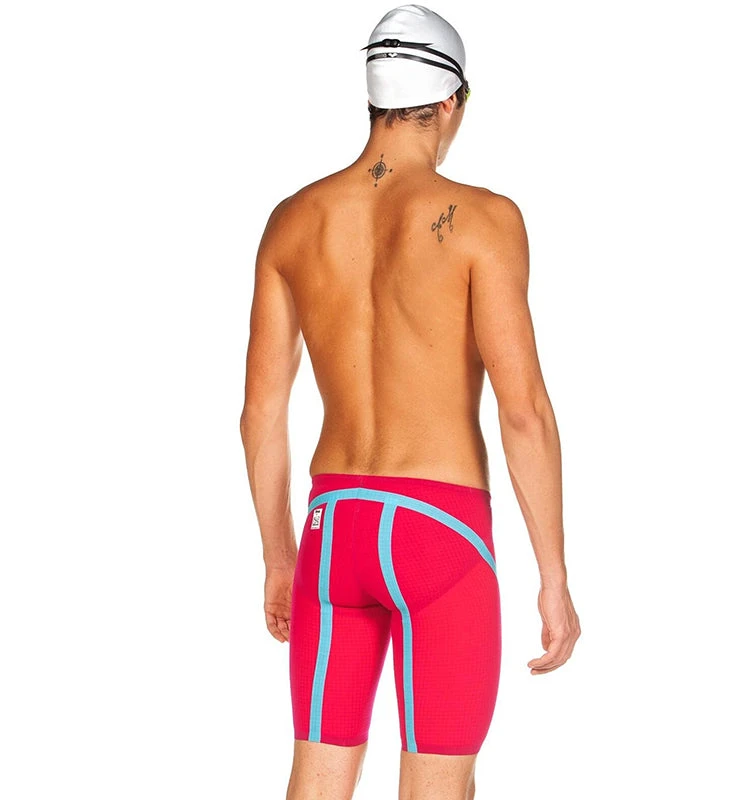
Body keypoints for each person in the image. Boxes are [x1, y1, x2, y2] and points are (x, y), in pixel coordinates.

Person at [240, 5, 580, 798]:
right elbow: (523, 410)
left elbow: (260, 414)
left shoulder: (293, 222)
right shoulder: (485, 221)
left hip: (334, 528)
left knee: (315, 778)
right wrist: (554, 576)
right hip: (438, 532)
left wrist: (280, 557)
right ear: (450, 101)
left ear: (373, 98)